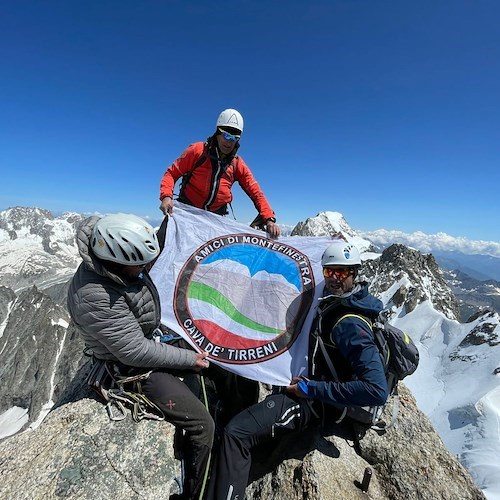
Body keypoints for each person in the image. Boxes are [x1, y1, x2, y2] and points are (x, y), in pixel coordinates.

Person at [206, 240, 390, 499]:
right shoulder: (336, 300)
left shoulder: (349, 325)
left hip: (315, 405)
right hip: (309, 391)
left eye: (342, 272)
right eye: (329, 272)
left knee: (237, 433)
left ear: (354, 273)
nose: (334, 279)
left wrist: (309, 388)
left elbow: (376, 390)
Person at [67, 213, 214, 500]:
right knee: (202, 425)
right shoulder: (95, 295)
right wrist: (190, 360)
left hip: (144, 339)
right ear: (116, 261)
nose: (146, 269)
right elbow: (134, 351)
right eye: (140, 265)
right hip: (128, 369)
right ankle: (196, 493)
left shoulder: (109, 262)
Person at [158, 108, 281, 239]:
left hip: (215, 220)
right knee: (161, 246)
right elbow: (171, 173)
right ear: (217, 133)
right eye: (226, 135)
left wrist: (269, 219)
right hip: (186, 212)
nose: (229, 142)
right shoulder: (197, 151)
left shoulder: (237, 164)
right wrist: (166, 197)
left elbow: (255, 192)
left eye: (234, 138)